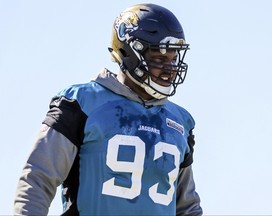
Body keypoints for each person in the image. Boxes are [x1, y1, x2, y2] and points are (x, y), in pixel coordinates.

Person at [14, 3, 202, 216]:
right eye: (159, 58)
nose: (169, 69)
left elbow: (187, 208)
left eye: (173, 58)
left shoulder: (180, 122)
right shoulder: (81, 103)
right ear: (129, 52)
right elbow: (37, 179)